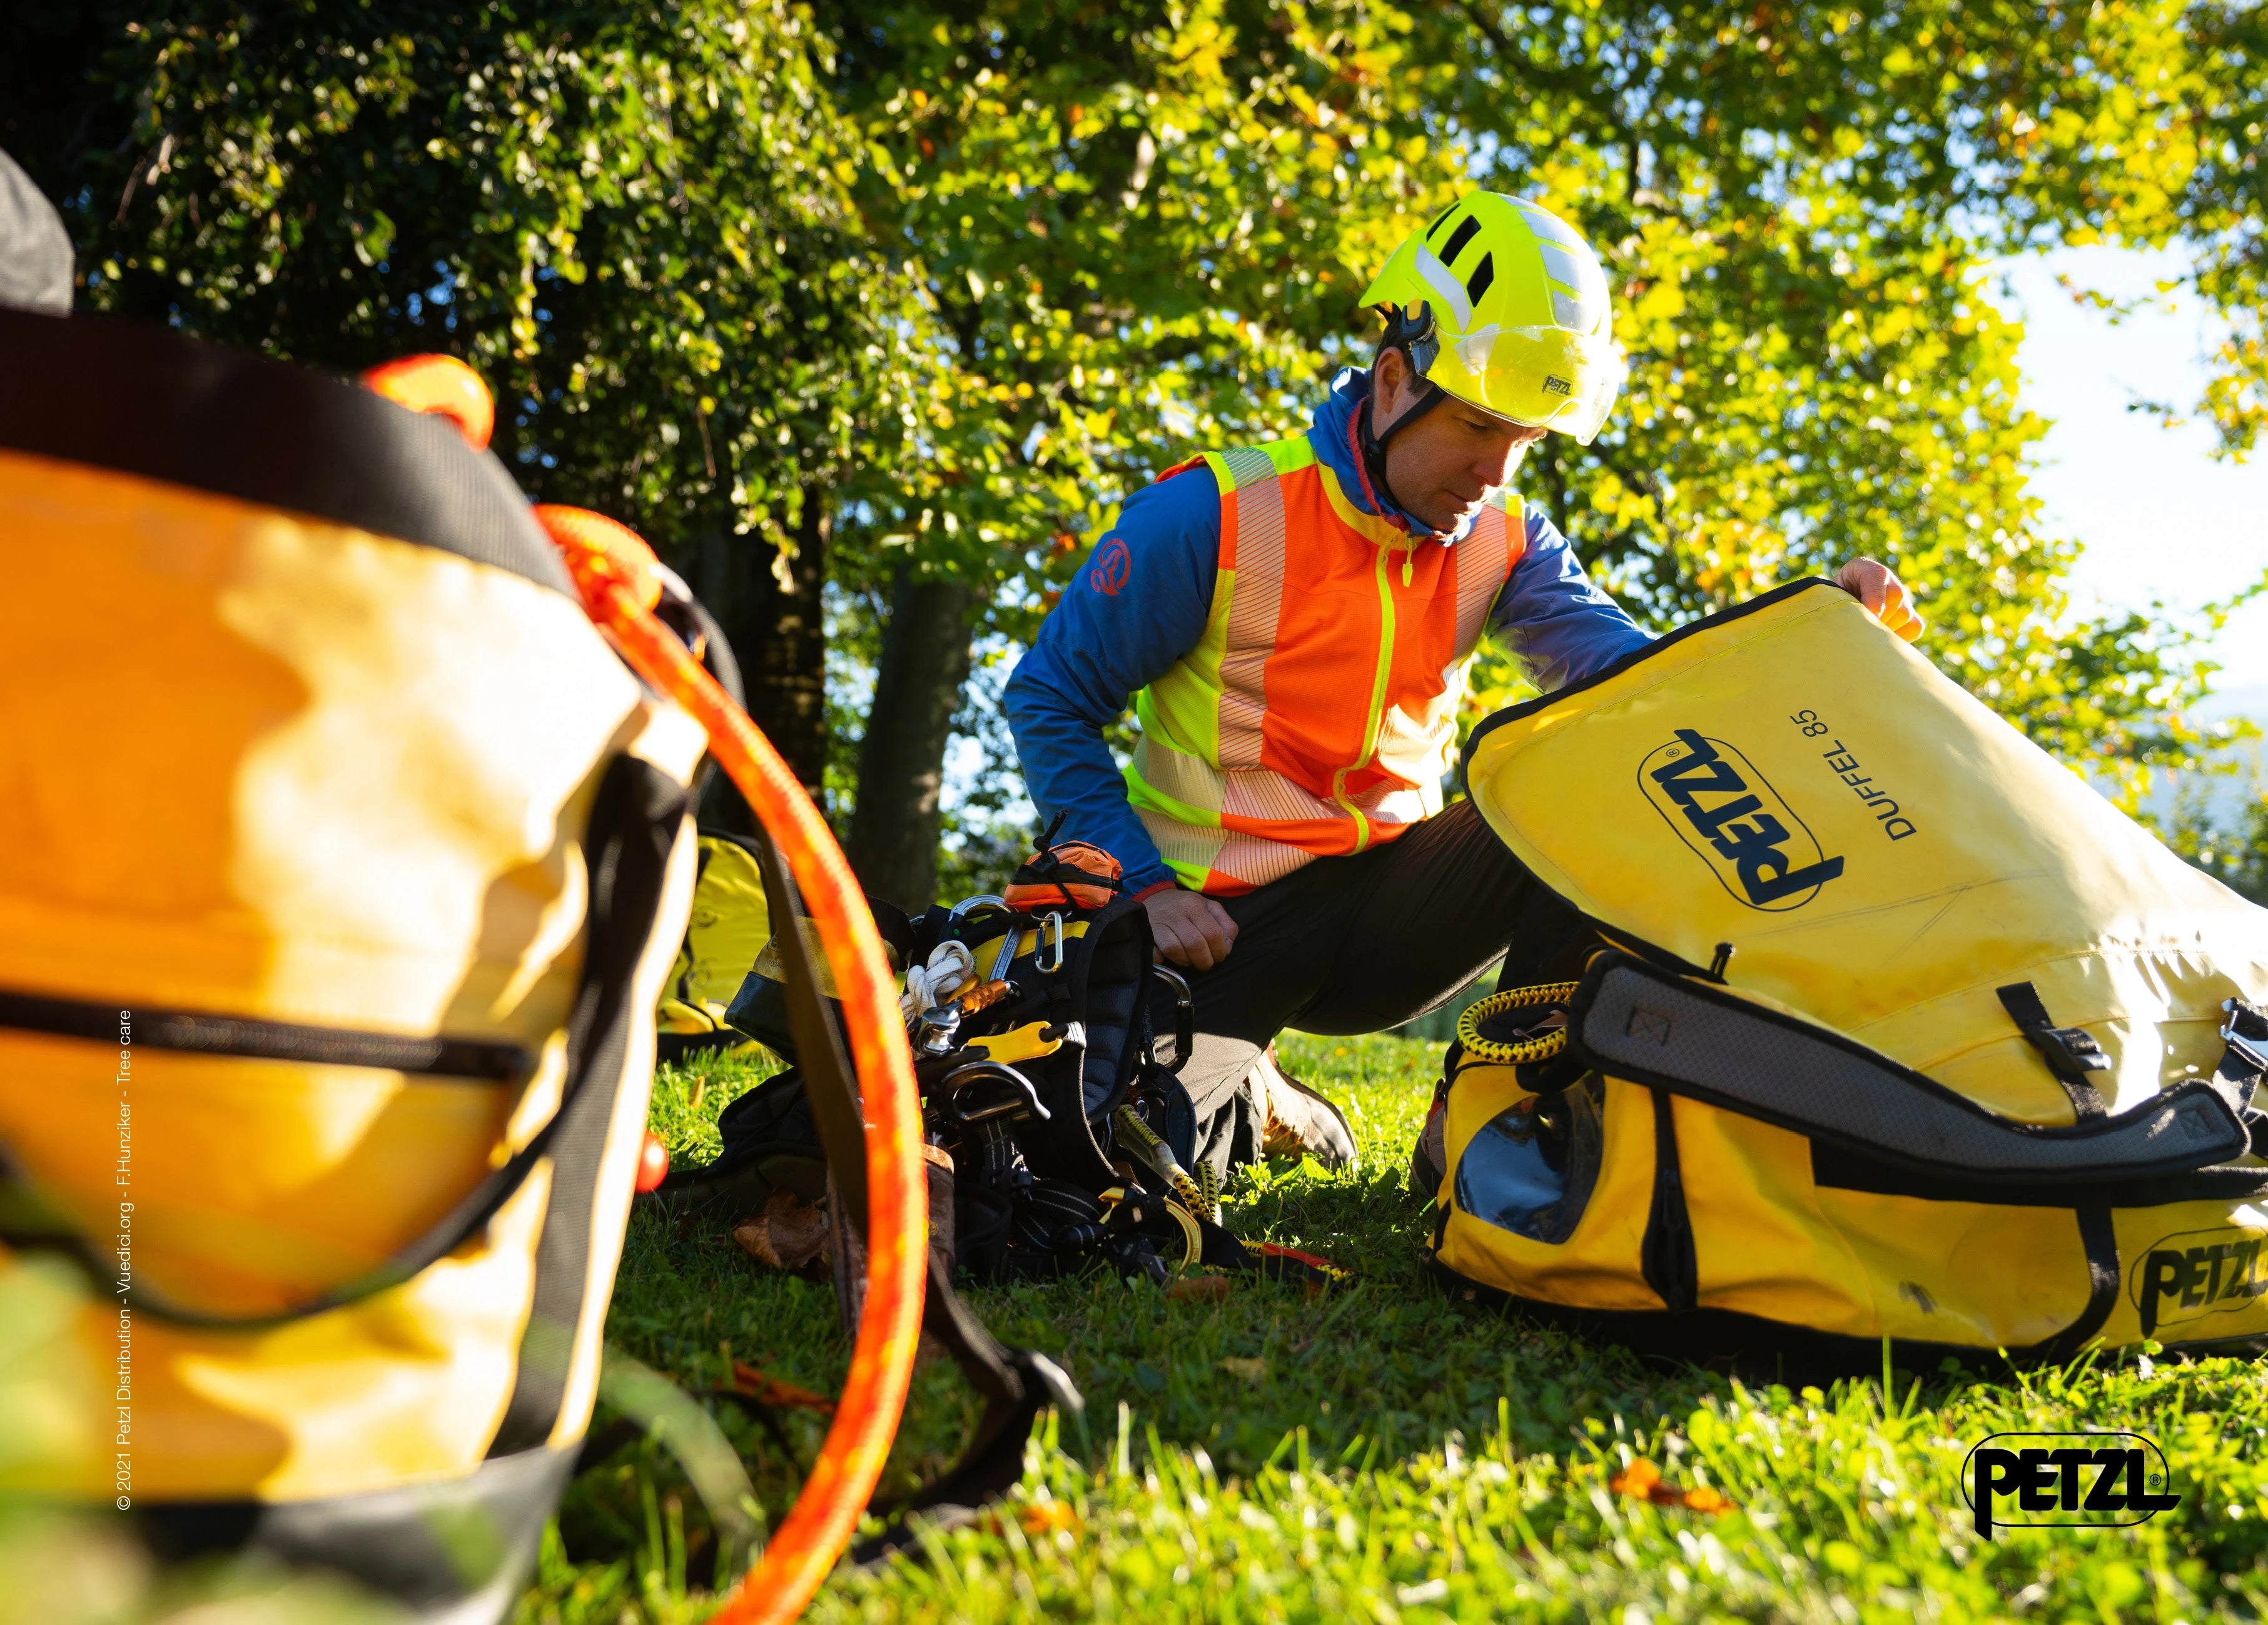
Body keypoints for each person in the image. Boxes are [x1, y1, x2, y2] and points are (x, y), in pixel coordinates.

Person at [1003, 190, 1923, 1174]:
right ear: (1394, 378)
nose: (1496, 469)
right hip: (1217, 924)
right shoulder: (1212, 514)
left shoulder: (1508, 539)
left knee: (1613, 764)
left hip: (1396, 908)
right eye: (1479, 425)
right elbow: (1047, 696)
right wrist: (1141, 888)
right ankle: (1251, 1087)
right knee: (1142, 1162)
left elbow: (1639, 680)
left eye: (1525, 439)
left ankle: (1487, 1110)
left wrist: (1809, 624)